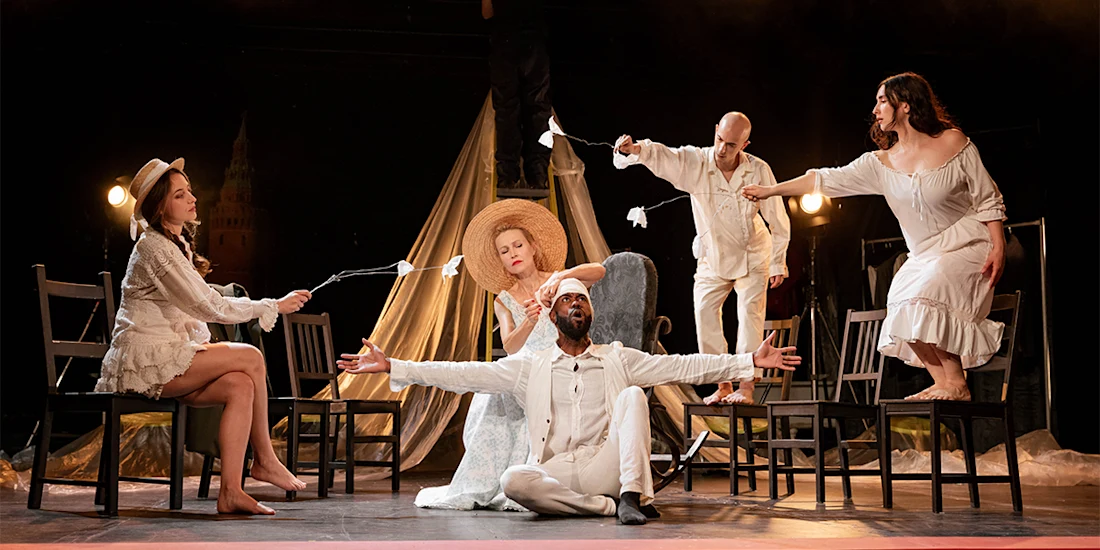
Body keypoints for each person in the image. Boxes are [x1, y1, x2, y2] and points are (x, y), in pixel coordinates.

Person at [338, 278, 801, 524]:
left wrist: (746, 361)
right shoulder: (530, 365)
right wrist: (393, 366)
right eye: (568, 301)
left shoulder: (619, 357)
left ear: (590, 314)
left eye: (583, 300)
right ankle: (607, 508)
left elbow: (684, 366)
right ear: (555, 317)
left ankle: (631, 494)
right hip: (557, 469)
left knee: (635, 398)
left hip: (606, 462)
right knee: (514, 480)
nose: (577, 304)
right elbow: (462, 374)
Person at [743, 72, 1007, 401]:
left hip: (969, 244)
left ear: (906, 105)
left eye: (883, 101)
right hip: (925, 254)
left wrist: (998, 245)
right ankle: (945, 382)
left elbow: (987, 195)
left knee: (927, 289)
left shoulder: (952, 143)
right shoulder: (880, 164)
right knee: (899, 302)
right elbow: (823, 179)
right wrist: (771, 190)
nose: (876, 109)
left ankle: (955, 381)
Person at [95, 158, 312, 515]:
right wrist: (271, 304)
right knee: (251, 357)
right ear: (160, 207)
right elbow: (206, 304)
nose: (193, 199)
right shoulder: (153, 247)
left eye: (190, 191)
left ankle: (231, 491)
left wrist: (206, 343)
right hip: (145, 362)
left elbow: (192, 311)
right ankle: (264, 458)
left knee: (241, 383)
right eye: (181, 195)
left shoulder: (175, 244)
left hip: (168, 357)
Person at [415, 199, 605, 511]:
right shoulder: (503, 300)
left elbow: (599, 269)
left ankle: (539, 477)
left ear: (532, 247)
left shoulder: (559, 283)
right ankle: (497, 480)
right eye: (505, 251)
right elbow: (511, 346)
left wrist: (558, 278)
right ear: (501, 261)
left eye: (517, 245)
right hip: (524, 364)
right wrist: (529, 321)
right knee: (497, 392)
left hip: (560, 363)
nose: (513, 253)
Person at [615, 112, 791, 405]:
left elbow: (778, 218)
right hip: (712, 255)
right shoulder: (698, 162)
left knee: (749, 315)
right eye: (720, 140)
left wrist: (777, 261)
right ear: (715, 132)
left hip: (752, 253)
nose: (723, 149)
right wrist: (637, 150)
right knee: (704, 314)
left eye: (731, 145)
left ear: (744, 145)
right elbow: (666, 156)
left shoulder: (758, 170)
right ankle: (722, 383)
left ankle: (746, 388)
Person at [484, 0, 552, 189]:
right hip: (530, 39)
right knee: (537, 108)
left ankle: (509, 174)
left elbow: (487, 12)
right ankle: (536, 172)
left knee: (508, 110)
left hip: (507, 40)